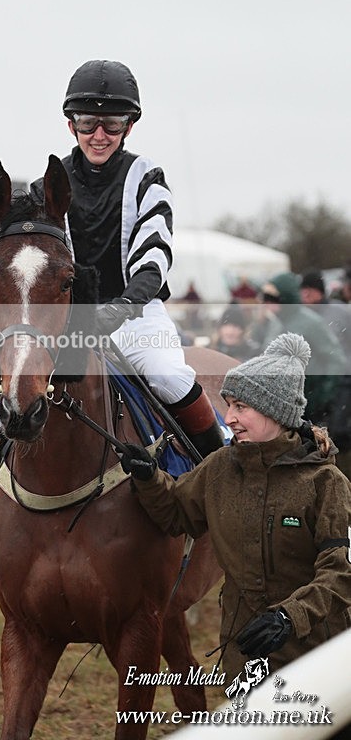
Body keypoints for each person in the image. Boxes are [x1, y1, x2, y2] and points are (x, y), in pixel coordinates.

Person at [120, 333, 351, 684]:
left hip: (316, 660)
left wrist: (291, 617)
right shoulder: (219, 468)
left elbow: (341, 574)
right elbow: (177, 515)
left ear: (276, 411)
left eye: (241, 407)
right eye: (228, 405)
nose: (228, 418)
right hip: (243, 657)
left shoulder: (327, 483)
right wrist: (149, 478)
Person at [28, 59, 224, 458]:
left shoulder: (147, 176)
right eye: (88, 123)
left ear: (128, 127)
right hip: (69, 322)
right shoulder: (44, 186)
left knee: (168, 376)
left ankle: (217, 468)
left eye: (112, 124)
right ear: (72, 126)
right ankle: (0, 485)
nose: (99, 135)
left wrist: (119, 309)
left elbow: (153, 259)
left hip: (137, 316)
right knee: (6, 397)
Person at [251, 272, 346, 425]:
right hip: (282, 402)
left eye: (272, 298)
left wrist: (322, 396)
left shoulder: (311, 322)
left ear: (285, 297)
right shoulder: (275, 322)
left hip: (310, 402)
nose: (267, 303)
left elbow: (335, 359)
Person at [300, 269, 351, 479]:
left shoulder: (341, 313)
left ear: (320, 292)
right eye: (302, 293)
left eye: (309, 293)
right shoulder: (303, 316)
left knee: (339, 428)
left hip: (343, 378)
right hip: (317, 383)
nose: (305, 298)